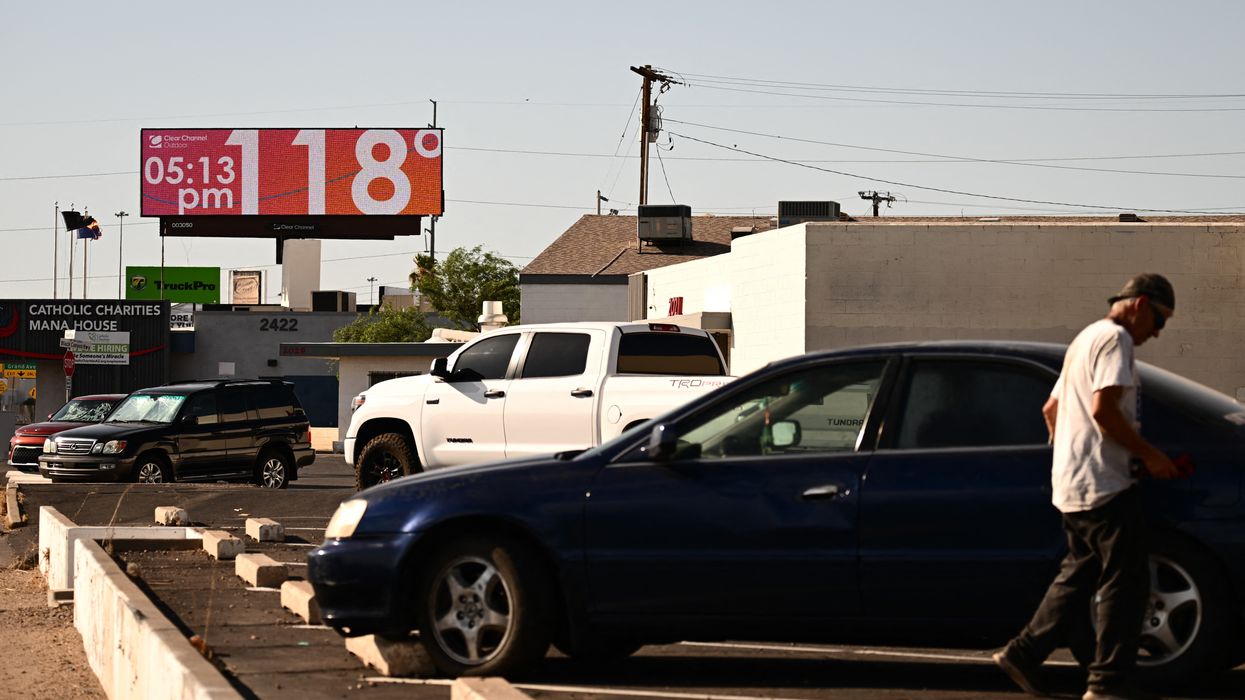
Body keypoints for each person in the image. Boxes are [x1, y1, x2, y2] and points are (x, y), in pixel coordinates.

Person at [993, 273, 1181, 700]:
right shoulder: (1116, 339)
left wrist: (1069, 456)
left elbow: (1051, 408)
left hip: (1072, 485)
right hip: (1106, 484)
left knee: (1079, 574)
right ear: (1139, 306)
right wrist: (1148, 454)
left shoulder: (1084, 339)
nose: (1157, 332)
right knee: (1126, 582)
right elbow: (1104, 411)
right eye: (1160, 320)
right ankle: (1107, 684)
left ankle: (1022, 654)